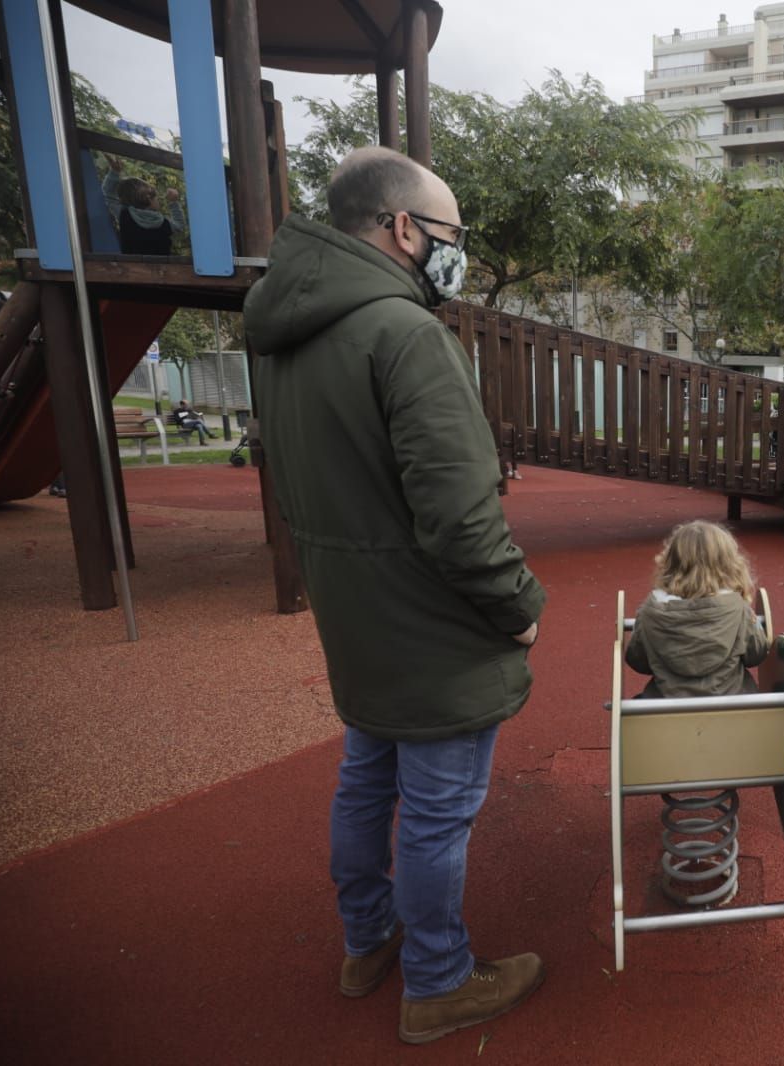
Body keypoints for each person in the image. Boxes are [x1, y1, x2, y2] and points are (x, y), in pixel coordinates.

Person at [243, 147, 546, 1045]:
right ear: (403, 228)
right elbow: (459, 517)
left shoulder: (288, 337)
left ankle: (365, 942)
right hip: (430, 623)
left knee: (367, 783)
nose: (459, 252)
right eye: (452, 234)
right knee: (438, 811)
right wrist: (517, 602)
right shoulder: (405, 335)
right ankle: (439, 981)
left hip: (355, 611)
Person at [625, 520, 769, 699]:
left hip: (666, 709)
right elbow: (756, 656)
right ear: (729, 565)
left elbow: (638, 661)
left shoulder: (650, 611)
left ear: (670, 563)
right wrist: (754, 626)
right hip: (732, 707)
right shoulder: (738, 609)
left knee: (640, 705)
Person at [102, 157, 186, 256]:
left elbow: (108, 194)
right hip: (161, 269)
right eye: (156, 197)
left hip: (132, 268)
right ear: (149, 199)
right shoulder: (163, 222)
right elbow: (180, 225)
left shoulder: (125, 214)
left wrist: (114, 172)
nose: (158, 200)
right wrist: (173, 203)